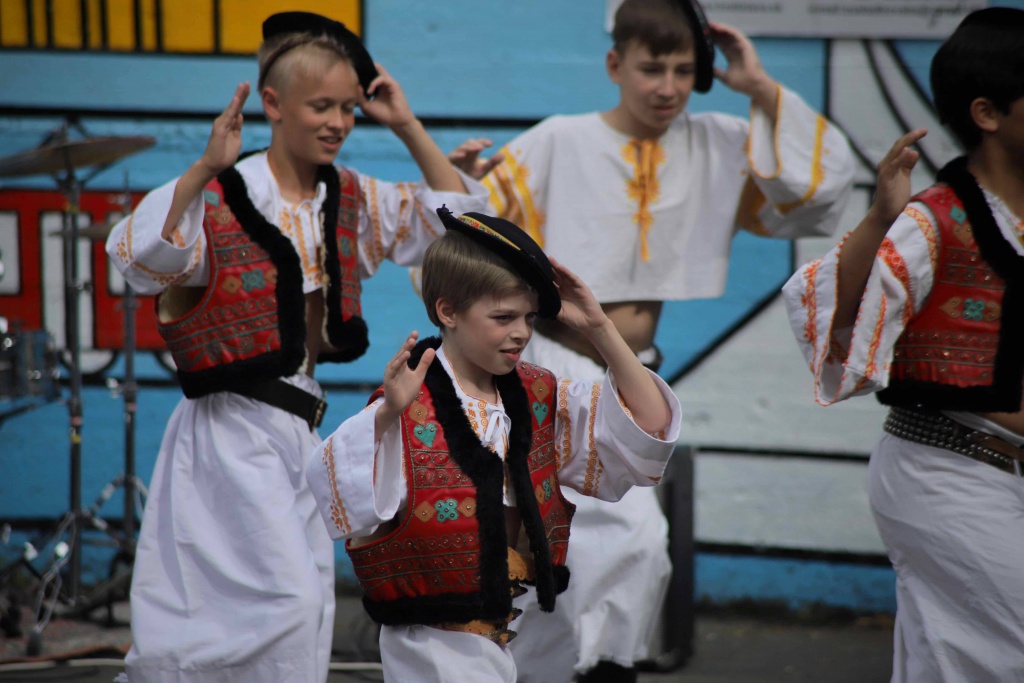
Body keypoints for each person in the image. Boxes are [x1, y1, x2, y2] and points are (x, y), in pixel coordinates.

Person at [445, 0, 855, 679]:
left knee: (626, 540)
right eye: (651, 68)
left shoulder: (718, 144)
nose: (667, 86)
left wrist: (757, 85)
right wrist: (458, 182)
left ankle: (601, 664)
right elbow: (469, 234)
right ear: (615, 64)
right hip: (547, 363)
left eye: (684, 71)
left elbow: (814, 191)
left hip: (626, 369)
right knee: (556, 528)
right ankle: (565, 664)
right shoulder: (559, 141)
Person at [105, 11, 487, 682]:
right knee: (285, 604)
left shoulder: (348, 197)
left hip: (299, 424)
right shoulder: (223, 192)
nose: (339, 122)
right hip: (227, 428)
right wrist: (203, 167)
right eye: (321, 106)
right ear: (274, 104)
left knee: (302, 604)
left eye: (348, 108)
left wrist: (405, 124)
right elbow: (135, 260)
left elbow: (462, 226)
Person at [305, 207, 682, 682]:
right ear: (448, 311)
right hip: (430, 647)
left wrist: (599, 328)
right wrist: (385, 416)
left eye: (528, 317)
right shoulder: (406, 403)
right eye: (503, 317)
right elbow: (338, 495)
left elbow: (649, 427)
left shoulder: (539, 397)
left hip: (508, 637)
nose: (521, 332)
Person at [782, 8, 1024, 682]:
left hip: (1002, 477)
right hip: (946, 470)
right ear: (987, 113)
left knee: (942, 661)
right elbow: (828, 312)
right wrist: (882, 217)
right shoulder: (933, 219)